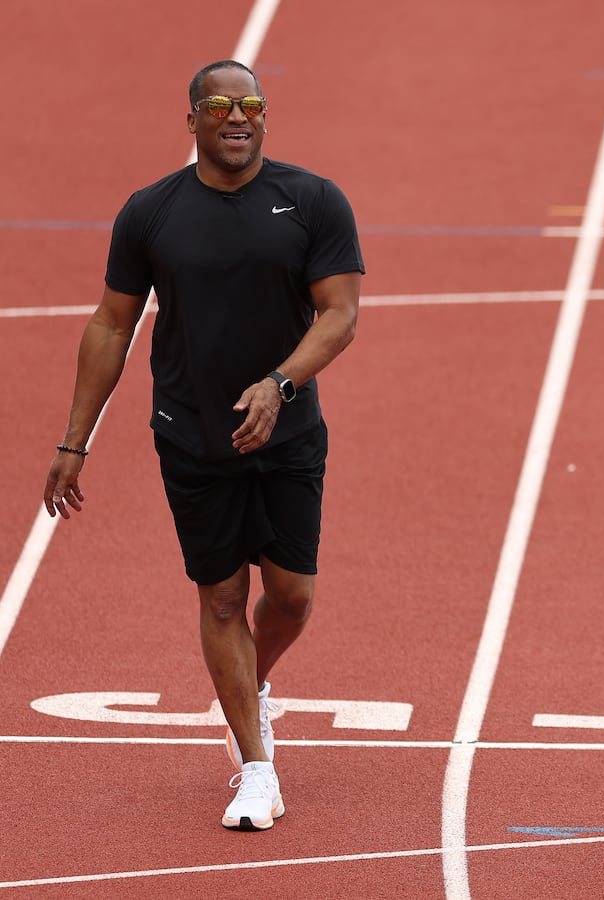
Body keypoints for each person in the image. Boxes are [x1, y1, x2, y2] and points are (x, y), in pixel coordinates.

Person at [42, 60, 363, 832]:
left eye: (250, 104)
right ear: (191, 121)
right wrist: (73, 440)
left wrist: (278, 384)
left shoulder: (313, 200)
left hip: (288, 433)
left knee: (290, 598)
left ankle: (248, 689)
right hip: (190, 437)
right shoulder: (151, 212)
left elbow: (341, 314)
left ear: (264, 117)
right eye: (219, 105)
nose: (237, 116)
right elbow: (112, 323)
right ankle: (257, 768)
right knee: (221, 598)